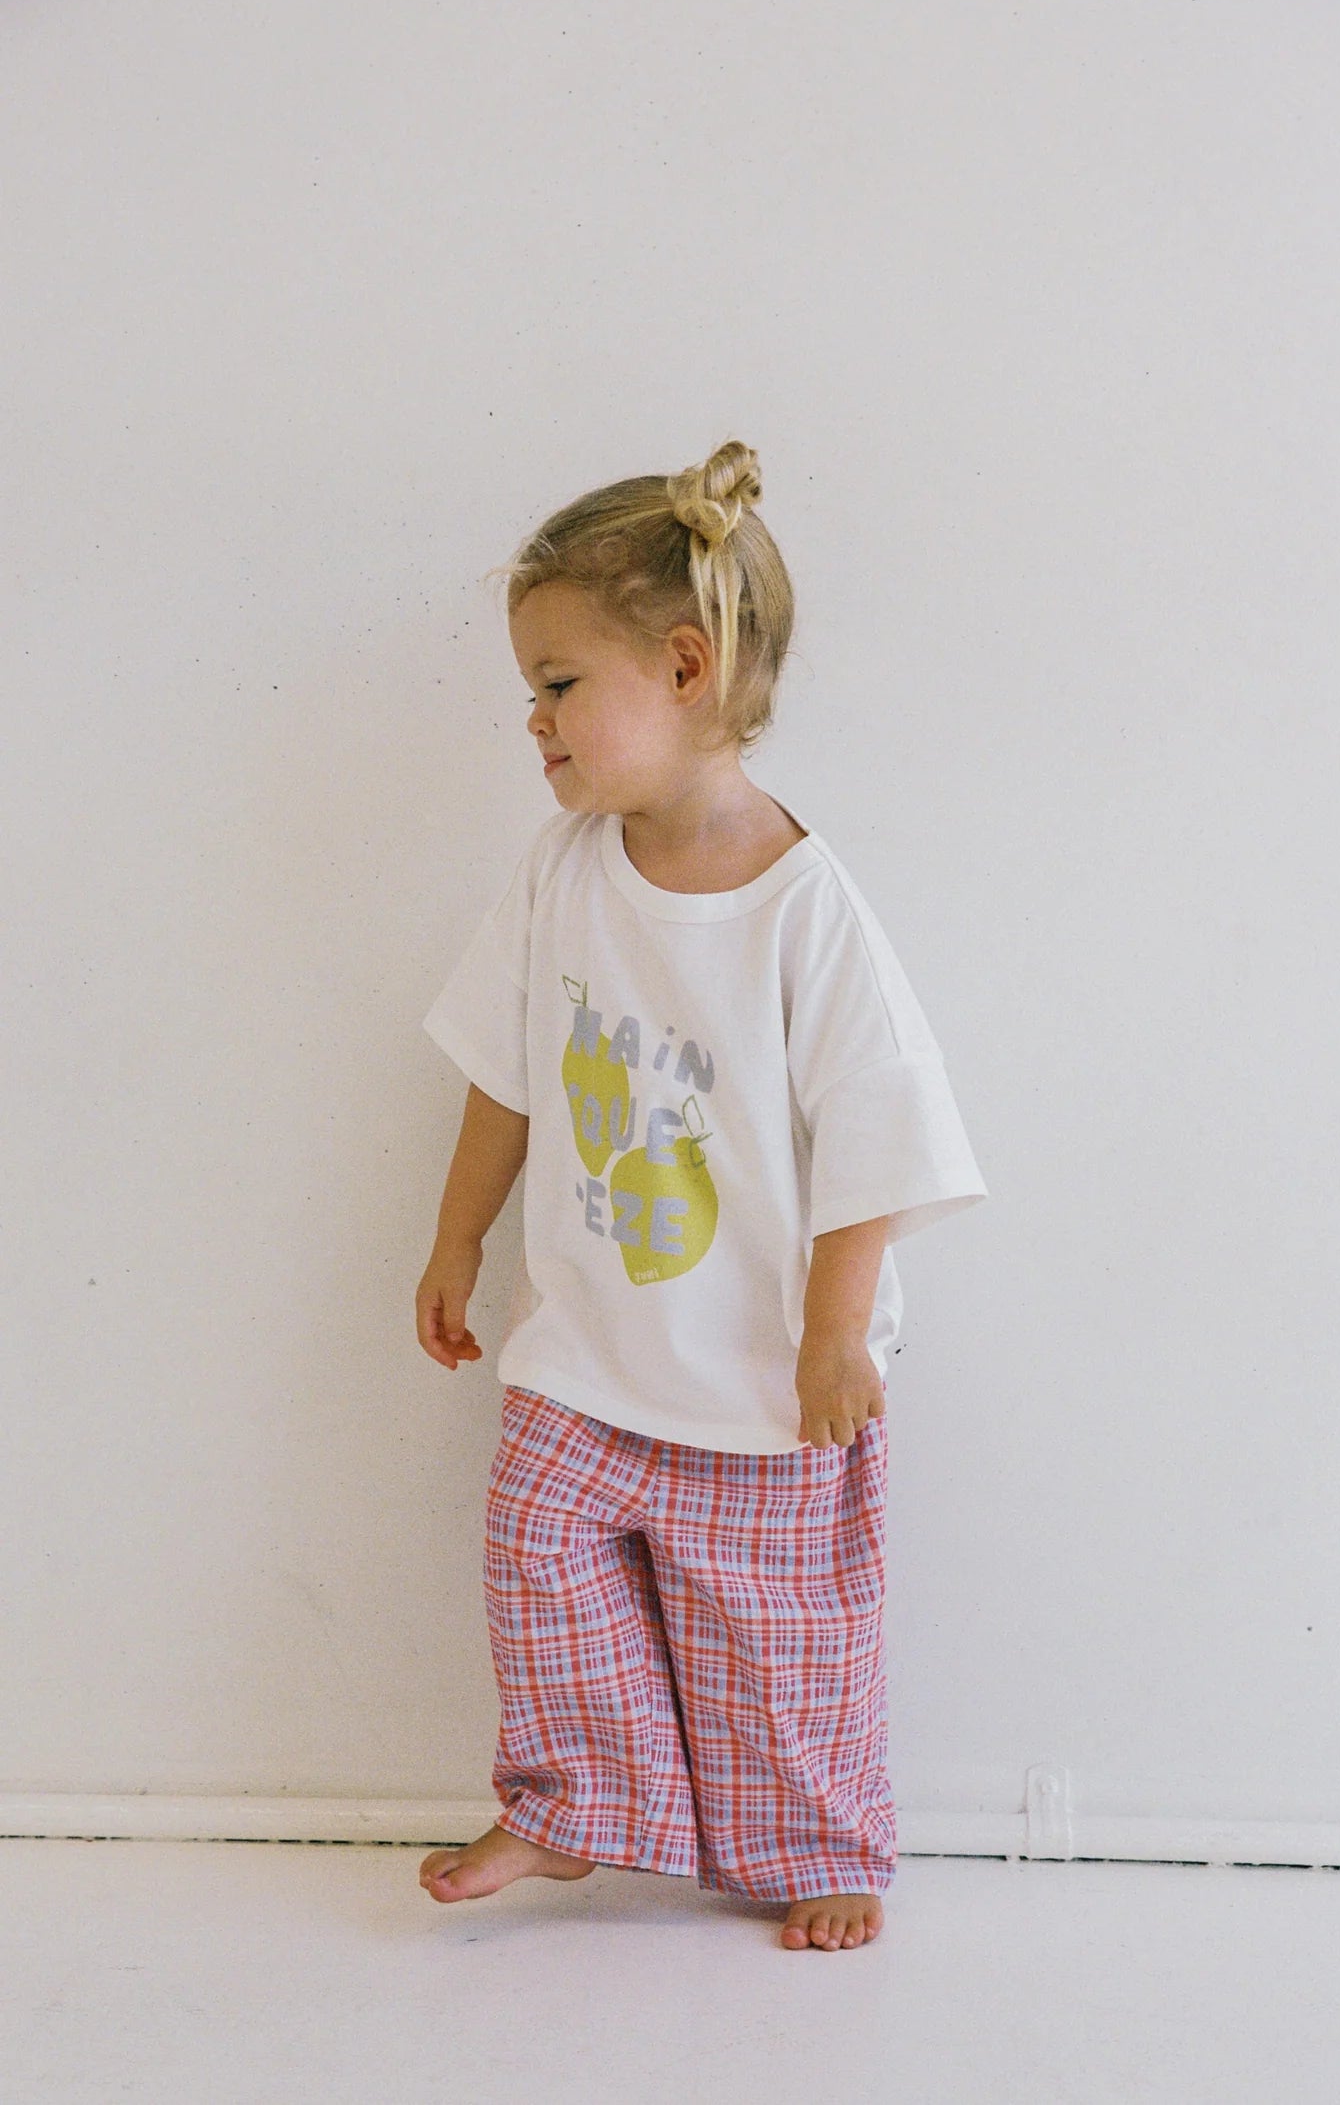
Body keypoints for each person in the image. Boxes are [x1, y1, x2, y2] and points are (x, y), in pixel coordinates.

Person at [413, 438, 989, 1952]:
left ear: (680, 667)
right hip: (589, 1352)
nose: (530, 718)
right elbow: (507, 1067)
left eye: (557, 684)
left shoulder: (806, 907)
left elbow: (875, 1125)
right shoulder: (564, 870)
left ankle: (816, 1846)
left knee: (780, 1631)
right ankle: (568, 1803)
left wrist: (833, 1329)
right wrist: (458, 1235)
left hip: (762, 1368)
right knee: (536, 1558)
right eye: (531, 688)